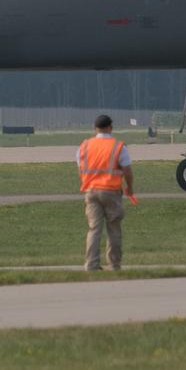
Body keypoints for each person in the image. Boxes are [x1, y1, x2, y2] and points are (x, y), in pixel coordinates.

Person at [77, 114, 137, 271]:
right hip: (111, 191)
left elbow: (81, 169)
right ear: (111, 127)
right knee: (114, 229)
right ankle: (114, 264)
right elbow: (127, 170)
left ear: (95, 128)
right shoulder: (118, 146)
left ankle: (91, 264)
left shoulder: (84, 146)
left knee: (94, 229)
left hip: (91, 191)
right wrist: (129, 187)